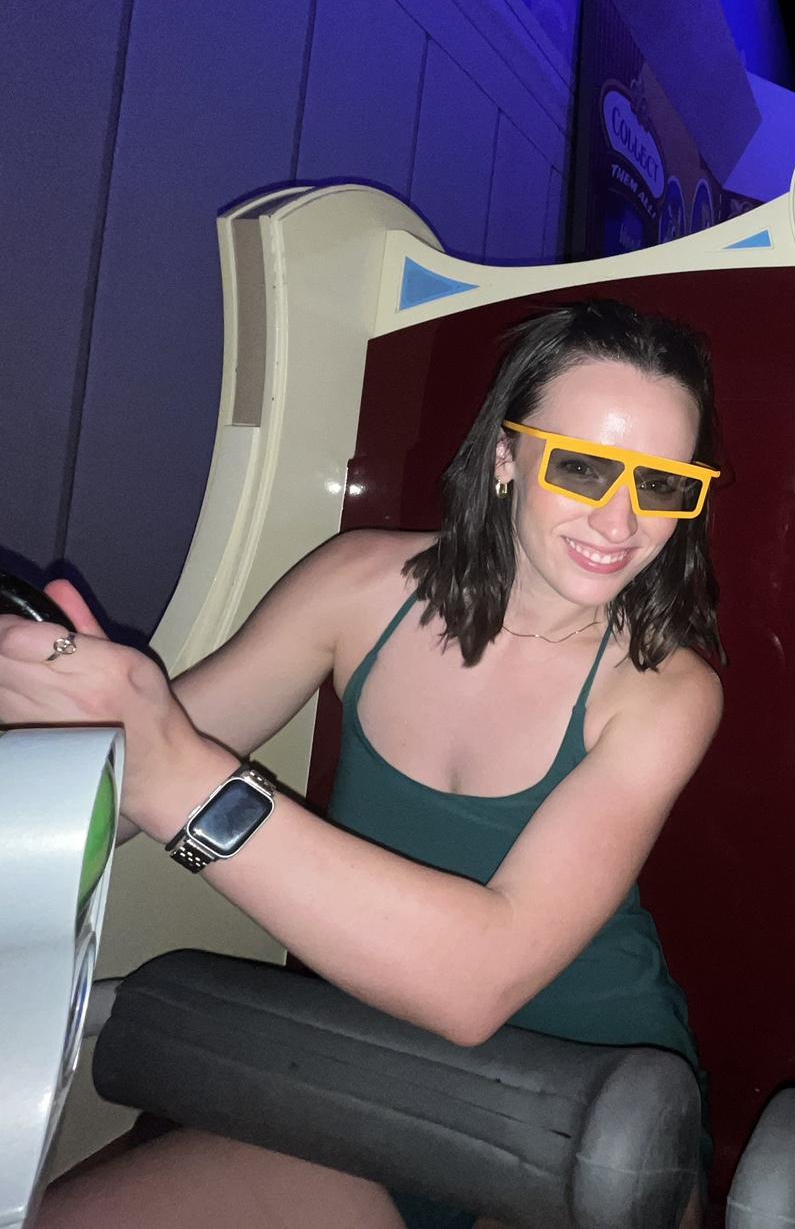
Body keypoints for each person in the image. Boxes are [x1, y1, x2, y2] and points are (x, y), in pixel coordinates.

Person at [0, 300, 725, 1229]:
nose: (621, 518)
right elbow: (132, 781)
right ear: (506, 457)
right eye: (582, 467)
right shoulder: (356, 586)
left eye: (662, 484)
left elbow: (477, 981)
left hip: (583, 1107)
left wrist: (177, 779)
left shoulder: (666, 689)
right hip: (361, 1074)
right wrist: (66, 727)